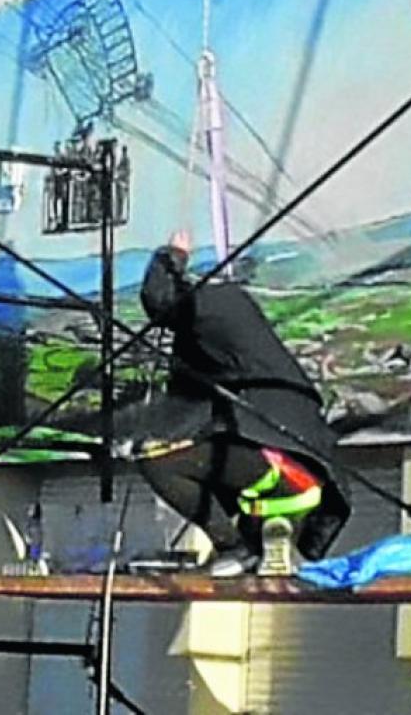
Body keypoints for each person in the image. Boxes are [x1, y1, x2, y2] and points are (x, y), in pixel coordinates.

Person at [128, 230, 349, 576]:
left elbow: (160, 301)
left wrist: (172, 255)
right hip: (298, 476)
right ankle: (263, 544)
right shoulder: (242, 344)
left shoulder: (221, 305)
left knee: (158, 460)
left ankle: (237, 547)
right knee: (203, 455)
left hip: (280, 464)